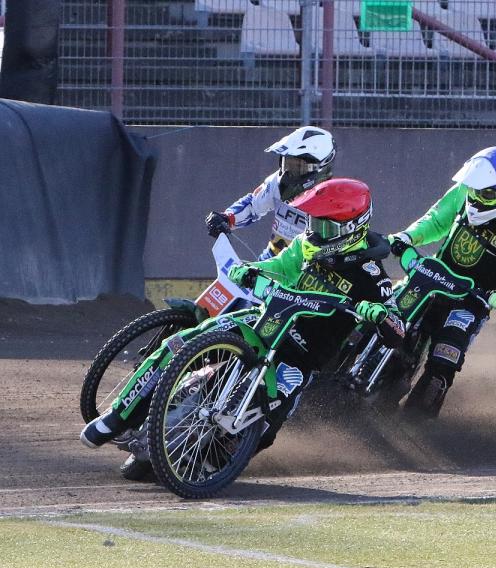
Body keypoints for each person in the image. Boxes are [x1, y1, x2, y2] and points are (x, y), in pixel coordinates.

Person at [82, 177, 404, 457]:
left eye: (324, 226)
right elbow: (277, 267)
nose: (314, 232)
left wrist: (377, 314)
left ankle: (213, 461)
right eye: (313, 223)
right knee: (180, 343)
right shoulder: (305, 245)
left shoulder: (371, 276)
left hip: (301, 356)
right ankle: (118, 417)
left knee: (270, 419)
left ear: (350, 228)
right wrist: (249, 270)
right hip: (262, 322)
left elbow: (397, 328)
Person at [387, 145, 496, 418]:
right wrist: (407, 237)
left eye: (485, 194)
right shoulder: (464, 193)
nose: (475, 198)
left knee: (444, 360)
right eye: (473, 190)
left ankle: (416, 424)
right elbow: (435, 222)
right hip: (429, 281)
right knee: (381, 318)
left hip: (469, 303)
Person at [205, 126, 336, 259]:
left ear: (318, 168)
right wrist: (226, 218)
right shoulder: (279, 183)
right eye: (287, 163)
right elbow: (253, 205)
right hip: (271, 261)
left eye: (298, 166)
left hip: (308, 266)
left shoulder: (334, 201)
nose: (289, 173)